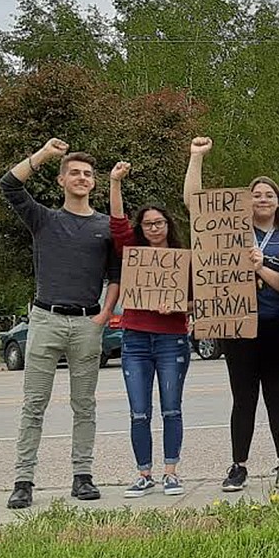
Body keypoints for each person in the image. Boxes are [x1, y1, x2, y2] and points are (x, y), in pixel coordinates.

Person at [0, 138, 121, 509]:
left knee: (84, 405)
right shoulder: (44, 219)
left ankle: (82, 477)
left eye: (87, 174)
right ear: (62, 180)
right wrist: (44, 155)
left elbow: (116, 275)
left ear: (94, 182)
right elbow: (9, 184)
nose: (82, 178)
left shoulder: (105, 226)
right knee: (33, 404)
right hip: (45, 319)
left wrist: (104, 315)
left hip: (87, 323)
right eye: (74, 173)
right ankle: (23, 480)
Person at [183, 137, 279, 492]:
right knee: (243, 397)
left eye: (269, 195)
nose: (263, 199)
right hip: (237, 325)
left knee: (277, 395)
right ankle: (239, 465)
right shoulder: (228, 231)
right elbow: (193, 204)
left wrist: (261, 268)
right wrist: (196, 158)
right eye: (257, 195)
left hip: (278, 325)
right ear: (246, 202)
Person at [109, 161, 191, 497]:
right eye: (148, 224)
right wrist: (115, 182)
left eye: (159, 222)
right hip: (136, 339)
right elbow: (116, 224)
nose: (154, 228)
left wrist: (178, 306)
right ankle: (144, 473)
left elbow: (199, 300)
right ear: (141, 228)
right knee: (139, 410)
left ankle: (171, 471)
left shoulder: (182, 258)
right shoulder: (133, 252)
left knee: (171, 407)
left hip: (172, 339)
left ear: (168, 225)